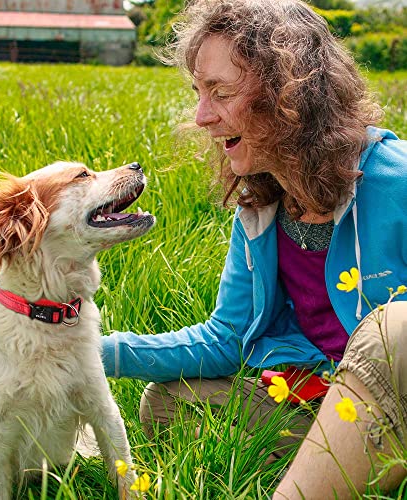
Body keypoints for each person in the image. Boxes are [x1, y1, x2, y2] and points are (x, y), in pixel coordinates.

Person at [101, 0, 407, 497]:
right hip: (314, 397)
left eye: (220, 92)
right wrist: (88, 352)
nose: (201, 116)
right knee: (167, 401)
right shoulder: (262, 206)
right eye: (198, 93)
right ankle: (337, 471)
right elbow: (227, 339)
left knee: (394, 327)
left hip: (396, 403)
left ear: (292, 93)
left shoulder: (397, 180)